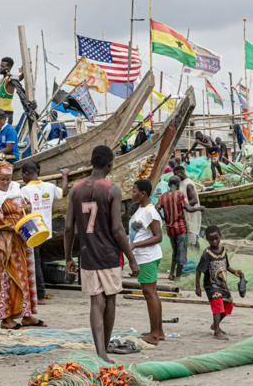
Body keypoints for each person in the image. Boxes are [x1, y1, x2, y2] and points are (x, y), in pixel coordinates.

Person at [64, 146, 139, 362]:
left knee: (96, 303)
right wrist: (131, 259)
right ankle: (104, 349)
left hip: (87, 254)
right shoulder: (112, 189)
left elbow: (69, 228)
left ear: (91, 162)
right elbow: (117, 229)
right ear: (109, 164)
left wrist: (68, 256)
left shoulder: (75, 190)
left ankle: (100, 352)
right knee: (110, 300)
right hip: (109, 254)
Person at [0, 160, 44, 329]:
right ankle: (7, 318)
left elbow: (22, 210)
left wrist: (27, 209)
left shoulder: (15, 189)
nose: (6, 183)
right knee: (10, 277)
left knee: (27, 276)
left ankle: (27, 315)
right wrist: (12, 226)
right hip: (6, 241)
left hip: (22, 239)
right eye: (2, 179)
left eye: (8, 178)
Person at [20, 162, 69, 304]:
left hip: (32, 230)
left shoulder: (25, 190)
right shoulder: (50, 187)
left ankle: (39, 295)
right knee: (39, 261)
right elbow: (63, 192)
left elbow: (24, 210)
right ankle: (38, 292)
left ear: (25, 174)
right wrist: (64, 176)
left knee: (34, 262)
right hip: (45, 230)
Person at [129, 179, 165, 345]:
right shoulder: (141, 210)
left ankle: (155, 333)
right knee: (152, 293)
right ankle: (158, 330)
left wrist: (135, 244)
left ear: (143, 193)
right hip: (144, 256)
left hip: (148, 257)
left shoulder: (150, 212)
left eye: (134, 190)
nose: (132, 193)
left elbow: (158, 236)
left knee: (149, 293)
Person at [196, 226, 244, 339]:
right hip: (211, 284)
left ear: (220, 236)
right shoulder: (207, 253)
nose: (214, 241)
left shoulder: (223, 250)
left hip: (222, 284)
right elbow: (199, 270)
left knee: (228, 304)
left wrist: (235, 272)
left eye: (216, 238)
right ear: (207, 239)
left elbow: (226, 266)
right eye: (211, 239)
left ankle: (215, 325)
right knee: (217, 304)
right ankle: (217, 332)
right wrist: (198, 287)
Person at [157, 176, 205, 280]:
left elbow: (156, 208)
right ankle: (178, 276)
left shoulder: (163, 197)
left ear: (169, 185)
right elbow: (188, 208)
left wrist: (163, 218)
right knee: (182, 251)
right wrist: (199, 208)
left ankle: (171, 274)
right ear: (178, 185)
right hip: (180, 228)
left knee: (175, 251)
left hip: (170, 229)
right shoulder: (180, 195)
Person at [175, 166, 204, 248]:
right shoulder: (182, 183)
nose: (175, 177)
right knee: (191, 236)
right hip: (187, 214)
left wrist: (181, 206)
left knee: (192, 236)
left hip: (192, 214)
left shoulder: (188, 184)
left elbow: (194, 200)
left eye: (175, 174)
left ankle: (194, 255)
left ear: (180, 173)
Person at [0, 57, 16, 125]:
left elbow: (19, 78)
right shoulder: (1, 81)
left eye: (2, 66)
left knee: (4, 134)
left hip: (7, 113)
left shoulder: (11, 80)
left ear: (9, 68)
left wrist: (24, 71)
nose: (0, 68)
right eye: (0, 66)